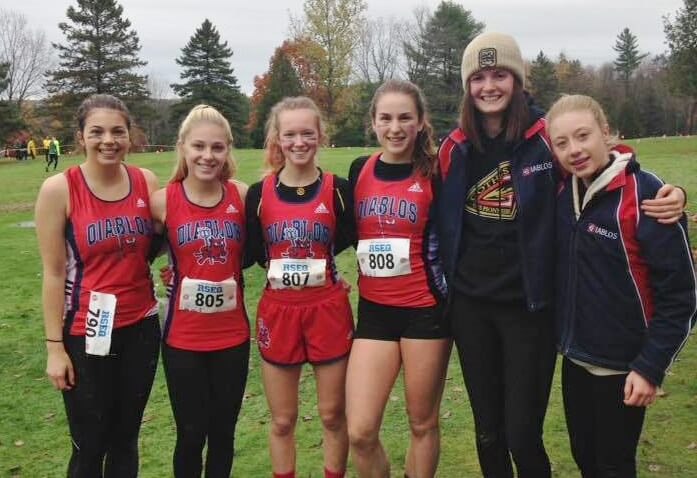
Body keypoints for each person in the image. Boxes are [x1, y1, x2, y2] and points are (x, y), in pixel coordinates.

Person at [436, 32, 687, 478]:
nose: (489, 86)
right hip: (471, 308)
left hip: (529, 308)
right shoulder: (453, 147)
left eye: (500, 75)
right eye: (478, 77)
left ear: (517, 79)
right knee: (488, 431)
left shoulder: (542, 138)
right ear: (466, 86)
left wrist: (672, 194)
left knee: (521, 432)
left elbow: (604, 167)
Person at [547, 94, 696, 477]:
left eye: (583, 136)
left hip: (623, 369)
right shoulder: (564, 191)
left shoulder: (648, 195)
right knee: (585, 459)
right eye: (561, 143)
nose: (574, 150)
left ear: (606, 134)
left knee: (613, 466)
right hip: (576, 360)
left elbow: (683, 297)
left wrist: (650, 367)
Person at [34, 94, 160, 477]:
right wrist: (55, 348)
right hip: (85, 332)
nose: (109, 140)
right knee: (90, 442)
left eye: (117, 131)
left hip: (140, 327)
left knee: (126, 438)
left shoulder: (145, 181)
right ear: (80, 136)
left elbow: (158, 245)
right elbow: (54, 272)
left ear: (130, 135)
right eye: (97, 132)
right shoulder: (60, 189)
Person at [345, 80, 449, 478]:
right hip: (375, 313)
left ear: (420, 121)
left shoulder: (437, 172)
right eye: (385, 118)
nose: (395, 127)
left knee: (422, 423)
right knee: (360, 431)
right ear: (373, 122)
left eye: (405, 117)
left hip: (426, 312)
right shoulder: (360, 170)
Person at [245, 96, 354, 478]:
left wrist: (336, 276)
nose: (299, 142)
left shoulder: (338, 189)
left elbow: (353, 238)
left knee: (332, 415)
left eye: (308, 133)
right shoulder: (259, 195)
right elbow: (249, 252)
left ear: (320, 134)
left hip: (327, 309)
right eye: (290, 134)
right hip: (279, 312)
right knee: (283, 420)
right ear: (277, 138)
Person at [150, 104, 250, 478]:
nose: (208, 156)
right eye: (199, 147)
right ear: (183, 148)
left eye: (217, 147)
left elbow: (269, 246)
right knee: (190, 435)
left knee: (223, 434)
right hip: (182, 339)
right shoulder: (163, 201)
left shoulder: (240, 196)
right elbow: (135, 254)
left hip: (232, 337)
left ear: (228, 150)